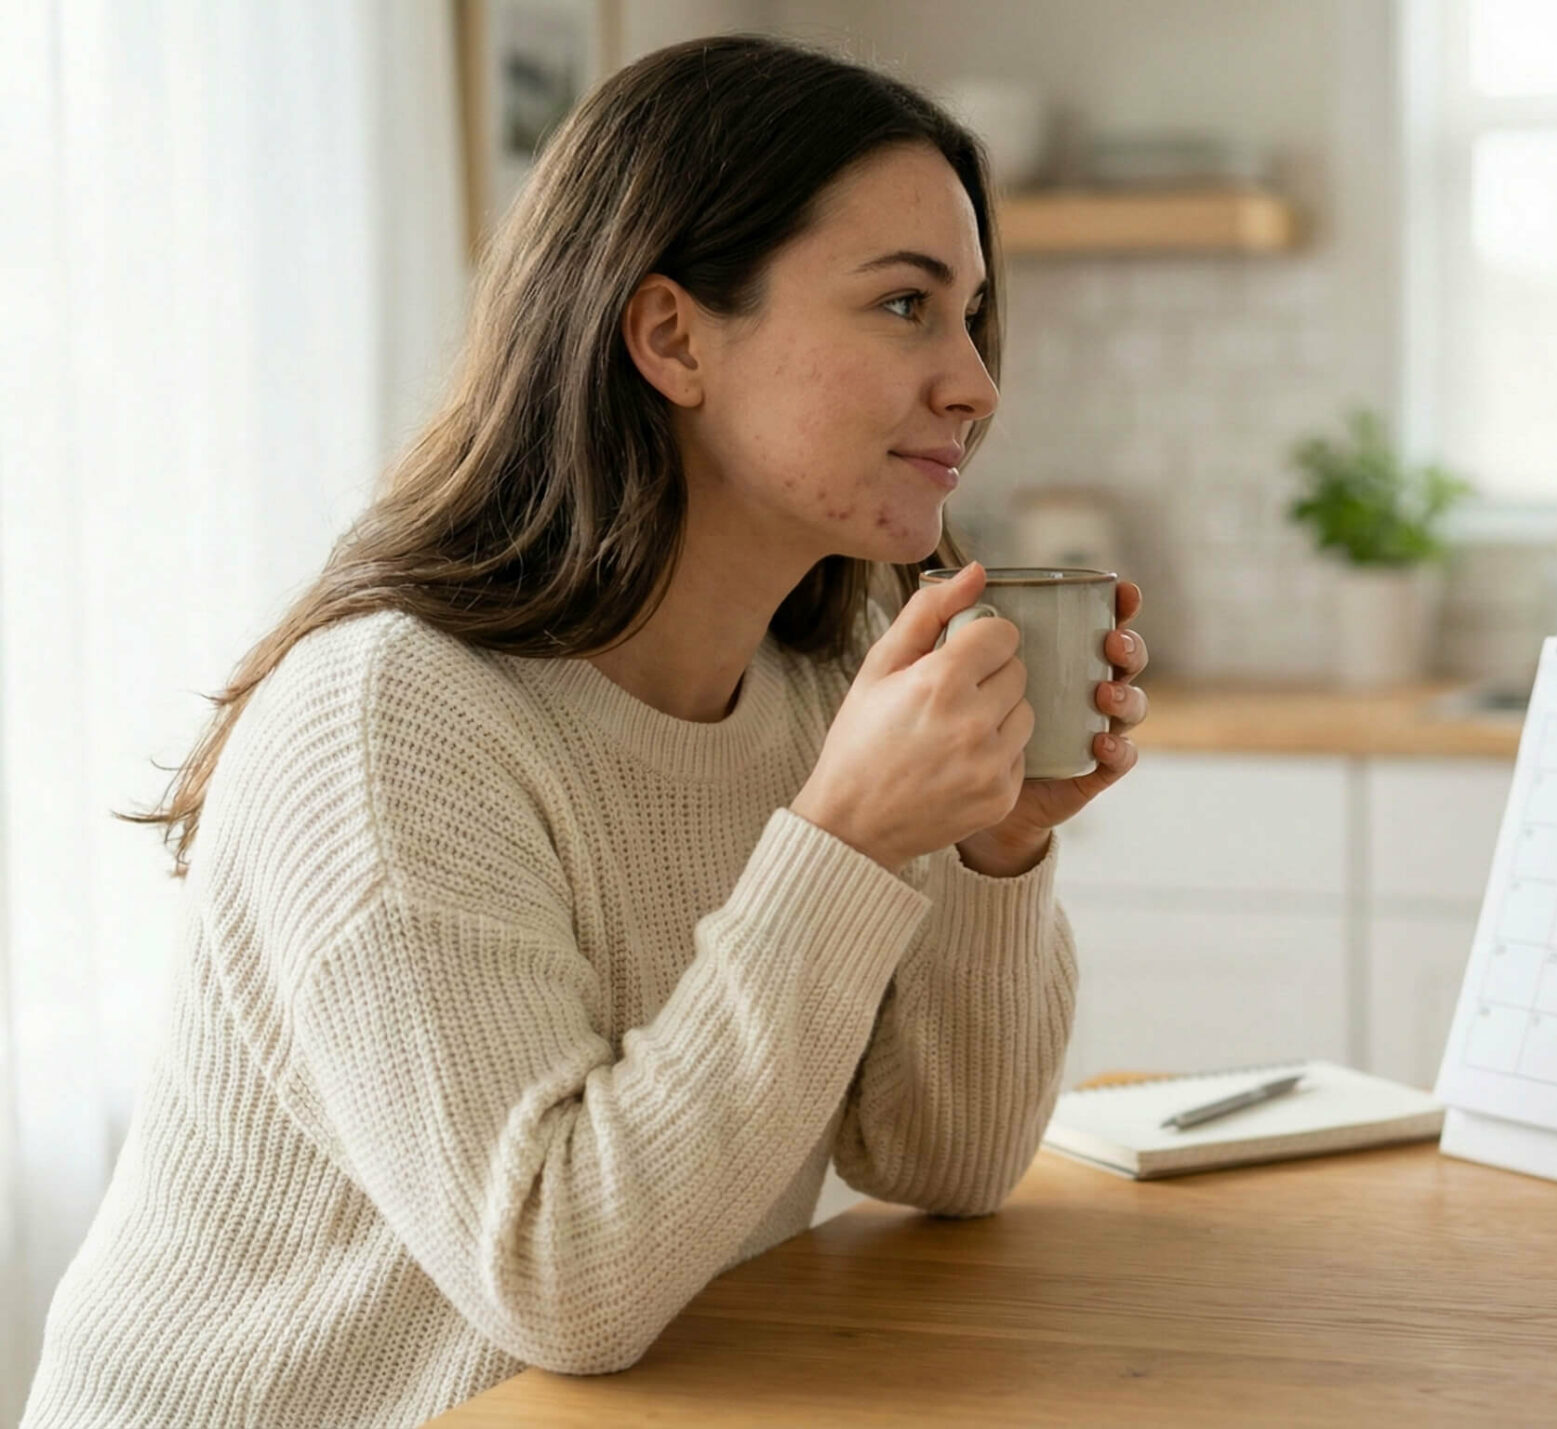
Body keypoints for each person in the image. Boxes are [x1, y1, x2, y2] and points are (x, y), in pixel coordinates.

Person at [22, 35, 1145, 1428]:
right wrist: (843, 838)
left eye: (973, 317)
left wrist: (993, 851)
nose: (975, 381)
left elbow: (948, 1158)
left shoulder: (815, 686)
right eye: (908, 307)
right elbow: (564, 1278)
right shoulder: (391, 721)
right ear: (671, 335)